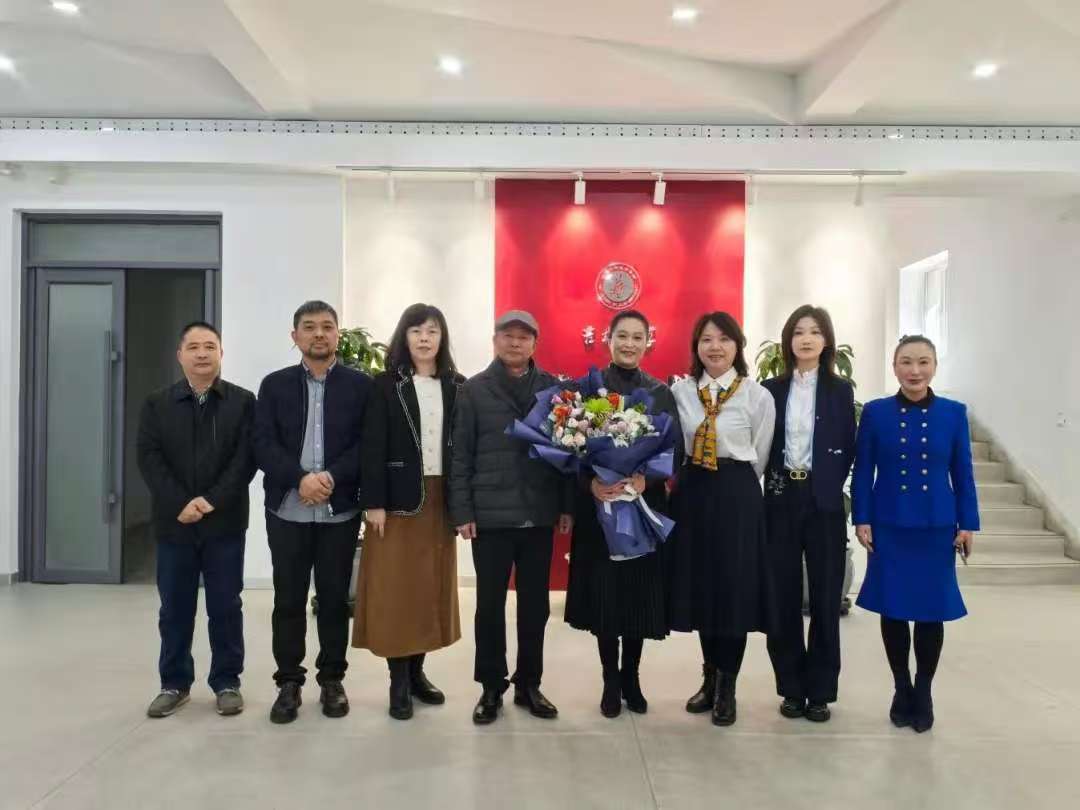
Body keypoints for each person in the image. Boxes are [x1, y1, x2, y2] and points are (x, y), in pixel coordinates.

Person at [449, 309, 575, 725]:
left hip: (538, 514)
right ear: (495, 341)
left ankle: (529, 684)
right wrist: (463, 511)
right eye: (508, 335)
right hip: (490, 516)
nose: (515, 342)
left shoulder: (553, 389)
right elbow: (460, 455)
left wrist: (566, 507)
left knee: (535, 606)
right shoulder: (473, 390)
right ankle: (490, 687)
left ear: (535, 343)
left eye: (524, 336)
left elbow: (567, 453)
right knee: (489, 606)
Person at [253, 300, 372, 724]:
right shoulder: (274, 385)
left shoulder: (360, 386)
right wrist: (300, 479)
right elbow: (262, 443)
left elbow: (366, 444)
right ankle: (288, 682)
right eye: (309, 327)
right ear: (295, 336)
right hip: (288, 509)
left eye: (326, 326)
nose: (318, 333)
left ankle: (332, 680)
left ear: (338, 334)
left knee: (335, 600)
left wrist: (331, 478)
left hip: (339, 511)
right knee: (288, 599)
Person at [853, 334, 978, 733]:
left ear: (935, 367)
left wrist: (968, 523)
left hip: (936, 526)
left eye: (923, 362)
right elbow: (863, 470)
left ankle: (923, 691)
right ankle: (901, 686)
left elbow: (963, 472)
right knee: (892, 608)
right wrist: (862, 517)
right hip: (889, 524)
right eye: (906, 361)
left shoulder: (954, 414)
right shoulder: (876, 413)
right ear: (894, 367)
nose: (915, 370)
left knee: (930, 611)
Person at [137, 321, 256, 718]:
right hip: (175, 524)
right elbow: (149, 459)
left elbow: (245, 460)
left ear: (221, 353)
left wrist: (210, 501)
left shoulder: (242, 402)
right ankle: (174, 683)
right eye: (193, 347)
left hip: (225, 523)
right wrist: (180, 503)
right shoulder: (157, 404)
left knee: (226, 606)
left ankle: (227, 682)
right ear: (180, 355)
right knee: (174, 608)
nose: (202, 353)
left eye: (210, 346)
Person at [564, 309, 678, 718]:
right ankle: (610, 680)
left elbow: (674, 449)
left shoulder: (660, 392)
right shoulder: (588, 390)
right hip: (601, 509)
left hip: (643, 508)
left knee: (637, 597)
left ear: (648, 342)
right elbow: (571, 449)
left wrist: (647, 478)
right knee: (606, 599)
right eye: (622, 336)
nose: (629, 344)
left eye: (637, 337)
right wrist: (591, 485)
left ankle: (632, 676)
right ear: (608, 339)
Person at [354, 303, 464, 720]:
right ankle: (397, 681)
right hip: (397, 502)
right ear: (404, 337)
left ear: (442, 338)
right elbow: (372, 446)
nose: (424, 338)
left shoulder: (457, 385)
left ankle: (417, 673)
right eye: (416, 330)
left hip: (440, 501)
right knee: (396, 591)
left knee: (429, 590)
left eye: (432, 330)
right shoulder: (385, 385)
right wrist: (374, 502)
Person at [668, 311, 776, 727]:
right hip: (693, 491)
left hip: (736, 493)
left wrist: (734, 483)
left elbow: (760, 453)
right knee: (703, 588)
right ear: (696, 347)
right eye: (706, 339)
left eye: (724, 339)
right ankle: (709, 678)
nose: (715, 347)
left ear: (738, 345)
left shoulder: (756, 395)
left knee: (733, 589)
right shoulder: (682, 391)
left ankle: (728, 687)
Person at [761, 305, 856, 723]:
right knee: (782, 597)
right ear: (788, 339)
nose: (806, 339)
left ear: (826, 340)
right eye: (798, 331)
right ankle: (791, 688)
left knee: (825, 597)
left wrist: (830, 484)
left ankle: (820, 690)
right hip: (781, 497)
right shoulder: (770, 389)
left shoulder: (840, 390)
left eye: (815, 331)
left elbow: (848, 444)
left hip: (824, 502)